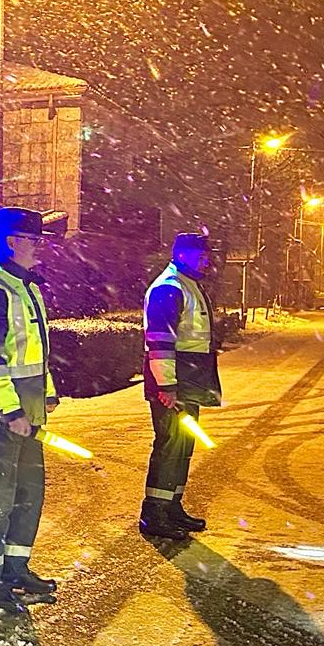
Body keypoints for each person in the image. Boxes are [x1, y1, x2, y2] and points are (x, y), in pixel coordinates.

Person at [0, 207, 62, 612]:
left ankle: (14, 569)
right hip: (2, 417)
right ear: (11, 242)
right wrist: (10, 411)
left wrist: (46, 394)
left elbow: (35, 352)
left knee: (27, 495)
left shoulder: (24, 287)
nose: (39, 247)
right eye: (33, 240)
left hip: (27, 415)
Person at [140, 231, 223, 539]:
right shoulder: (169, 288)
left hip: (187, 383)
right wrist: (167, 386)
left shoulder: (188, 286)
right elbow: (159, 342)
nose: (207, 261)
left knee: (183, 445)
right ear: (182, 255)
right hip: (174, 386)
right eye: (201, 256)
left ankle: (172, 506)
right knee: (169, 446)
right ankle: (154, 514)